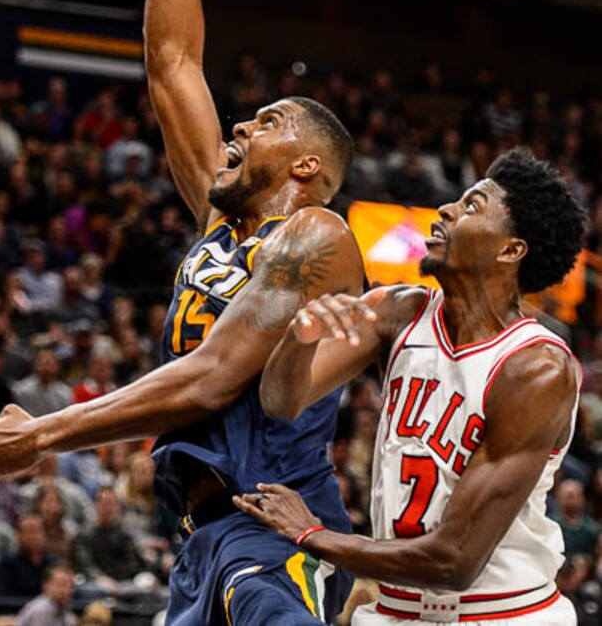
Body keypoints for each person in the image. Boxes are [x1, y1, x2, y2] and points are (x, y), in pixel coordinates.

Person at [0, 0, 366, 625]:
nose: (239, 123)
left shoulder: (316, 236)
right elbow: (171, 59)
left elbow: (210, 379)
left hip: (275, 536)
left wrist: (44, 434)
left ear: (308, 165)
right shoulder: (219, 220)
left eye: (266, 121)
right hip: (201, 543)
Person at [231, 147, 587, 625]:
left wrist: (313, 535)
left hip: (501, 614)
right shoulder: (397, 313)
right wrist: (299, 339)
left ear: (510, 249)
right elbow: (280, 401)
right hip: (394, 610)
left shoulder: (535, 368)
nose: (446, 210)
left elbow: (454, 560)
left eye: (472, 206)